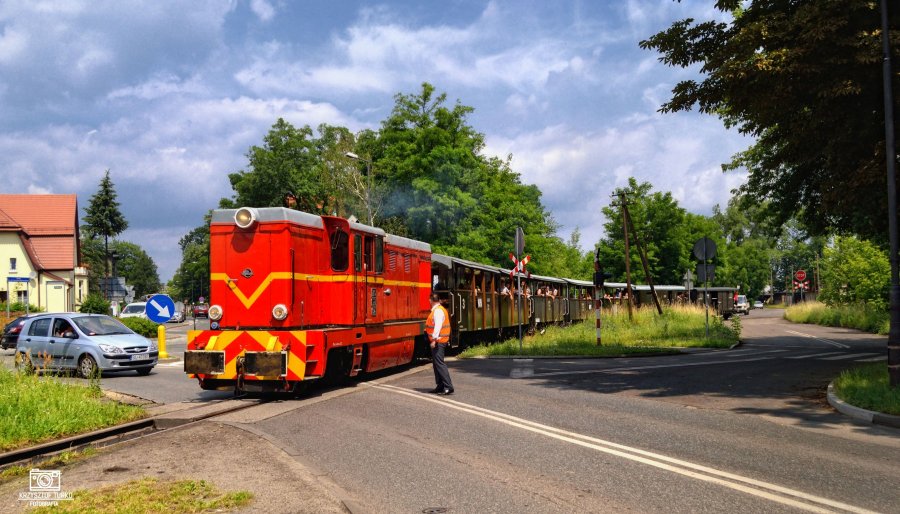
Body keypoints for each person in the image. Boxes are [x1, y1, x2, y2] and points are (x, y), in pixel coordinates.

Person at [426, 293, 453, 395]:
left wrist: (434, 340)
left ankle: (448, 386)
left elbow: (437, 326)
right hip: (440, 340)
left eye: (429, 300)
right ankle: (440, 385)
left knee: (439, 364)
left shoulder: (437, 311)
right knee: (436, 363)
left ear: (431, 300)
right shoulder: (439, 310)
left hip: (439, 341)